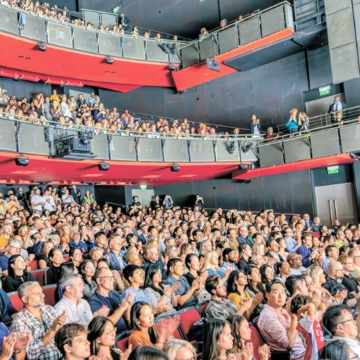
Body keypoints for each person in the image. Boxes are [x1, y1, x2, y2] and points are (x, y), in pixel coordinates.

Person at [11, 281, 67, 360]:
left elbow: (60, 338)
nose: (43, 295)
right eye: (37, 293)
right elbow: (29, 354)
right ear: (25, 299)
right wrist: (52, 331)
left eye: (42, 292)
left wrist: (60, 328)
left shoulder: (49, 309)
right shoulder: (19, 322)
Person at [257, 281, 306, 359]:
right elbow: (289, 344)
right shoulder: (268, 316)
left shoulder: (284, 310)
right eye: (276, 292)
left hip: (305, 349)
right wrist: (294, 318)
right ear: (267, 295)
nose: (281, 296)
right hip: (297, 356)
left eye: (283, 292)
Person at [88, 267, 134, 332]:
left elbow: (128, 318)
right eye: (109, 278)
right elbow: (102, 326)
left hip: (126, 332)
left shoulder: (114, 293)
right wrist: (122, 308)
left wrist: (128, 303)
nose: (112, 280)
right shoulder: (93, 302)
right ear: (99, 281)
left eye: (112, 277)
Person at [289, 295, 325, 360]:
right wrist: (299, 312)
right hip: (314, 356)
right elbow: (311, 306)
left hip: (317, 353)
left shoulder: (310, 320)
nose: (314, 311)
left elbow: (322, 307)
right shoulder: (304, 322)